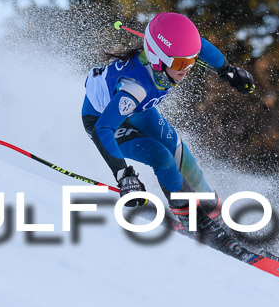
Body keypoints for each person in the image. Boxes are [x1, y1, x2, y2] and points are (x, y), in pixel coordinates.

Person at [81, 12, 255, 239]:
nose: (187, 69)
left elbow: (199, 46)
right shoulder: (136, 87)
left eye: (191, 62)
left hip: (139, 110)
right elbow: (103, 129)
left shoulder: (171, 59)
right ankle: (191, 220)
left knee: (182, 156)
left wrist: (228, 71)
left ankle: (216, 216)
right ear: (157, 59)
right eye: (182, 63)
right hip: (103, 120)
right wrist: (124, 176)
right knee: (162, 157)